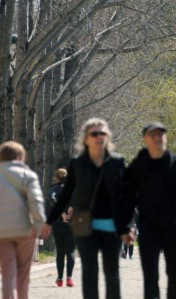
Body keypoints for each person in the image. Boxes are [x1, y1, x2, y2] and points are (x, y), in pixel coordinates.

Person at [41, 118, 128, 299]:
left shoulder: (117, 162)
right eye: (94, 133)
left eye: (102, 133)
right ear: (86, 138)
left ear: (108, 136)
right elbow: (67, 195)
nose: (99, 137)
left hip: (112, 225)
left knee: (112, 273)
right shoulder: (77, 163)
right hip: (83, 223)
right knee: (89, 271)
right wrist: (50, 221)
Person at [123, 122, 176, 299]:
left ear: (165, 138)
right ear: (145, 139)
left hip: (173, 226)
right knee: (150, 277)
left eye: (161, 134)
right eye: (153, 135)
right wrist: (128, 225)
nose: (157, 138)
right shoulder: (138, 165)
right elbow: (127, 197)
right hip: (148, 227)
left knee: (175, 275)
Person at [0, 141, 46, 299]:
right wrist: (38, 225)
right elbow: (36, 202)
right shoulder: (29, 175)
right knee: (23, 276)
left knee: (8, 275)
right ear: (20, 157)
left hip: (2, 233)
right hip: (25, 231)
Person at [47, 168, 76, 287]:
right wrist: (71, 208)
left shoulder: (53, 189)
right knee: (71, 251)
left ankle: (59, 278)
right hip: (72, 224)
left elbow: (52, 200)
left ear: (57, 177)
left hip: (58, 224)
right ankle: (69, 278)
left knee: (60, 251)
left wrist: (61, 213)